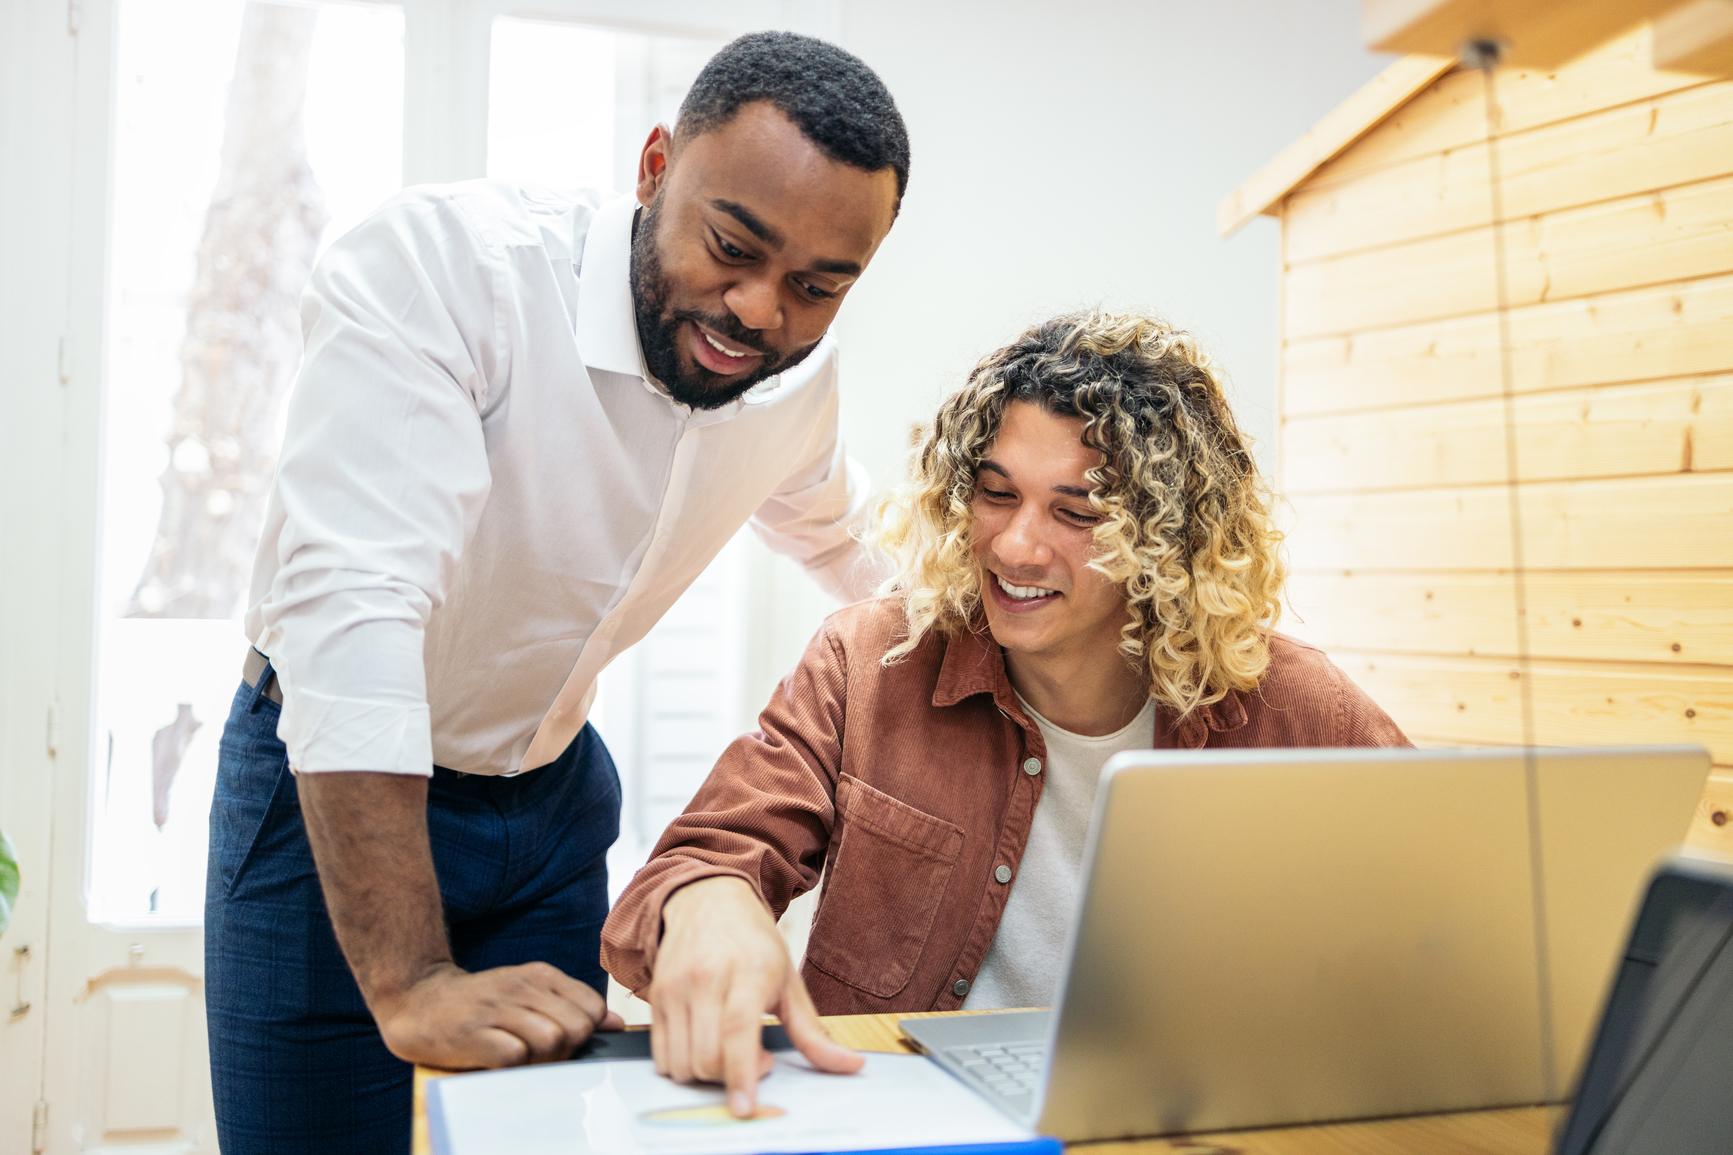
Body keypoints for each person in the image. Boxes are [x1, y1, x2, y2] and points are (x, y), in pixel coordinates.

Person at [204, 32, 909, 1155]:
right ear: (651, 169)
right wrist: (409, 976)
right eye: (732, 246)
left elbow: (846, 533)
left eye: (817, 286)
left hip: (550, 811)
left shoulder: (793, 376)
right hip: (334, 794)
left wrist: (1033, 625)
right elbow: (353, 613)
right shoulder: (448, 269)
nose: (758, 312)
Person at [602, 310, 1413, 1117]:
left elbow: (1452, 923)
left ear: (1169, 541)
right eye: (995, 494)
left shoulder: (1291, 708)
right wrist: (708, 901)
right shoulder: (869, 663)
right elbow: (700, 861)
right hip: (896, 1122)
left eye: (1077, 511)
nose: (1016, 546)